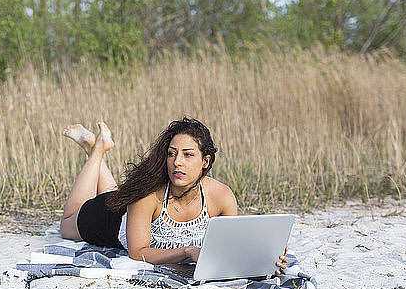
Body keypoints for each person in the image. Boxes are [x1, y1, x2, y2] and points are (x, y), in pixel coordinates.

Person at [60, 117, 289, 273]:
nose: (177, 162)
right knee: (68, 222)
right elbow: (138, 253)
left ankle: (96, 146)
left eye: (188, 155)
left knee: (116, 192)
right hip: (108, 218)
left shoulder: (222, 197)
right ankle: (97, 151)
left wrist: (266, 256)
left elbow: (228, 249)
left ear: (205, 161)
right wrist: (187, 252)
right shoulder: (147, 195)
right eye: (172, 154)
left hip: (127, 203)